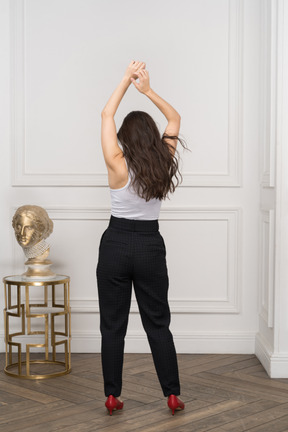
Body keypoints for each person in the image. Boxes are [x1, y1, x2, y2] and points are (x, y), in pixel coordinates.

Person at [96, 60, 186, 416]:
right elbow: (175, 119)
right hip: (150, 246)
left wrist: (124, 80)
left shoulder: (116, 162)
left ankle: (112, 396)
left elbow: (106, 114)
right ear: (150, 136)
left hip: (116, 243)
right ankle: (172, 395)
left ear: (124, 138)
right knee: (158, 323)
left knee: (112, 326)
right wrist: (147, 90)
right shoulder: (162, 161)